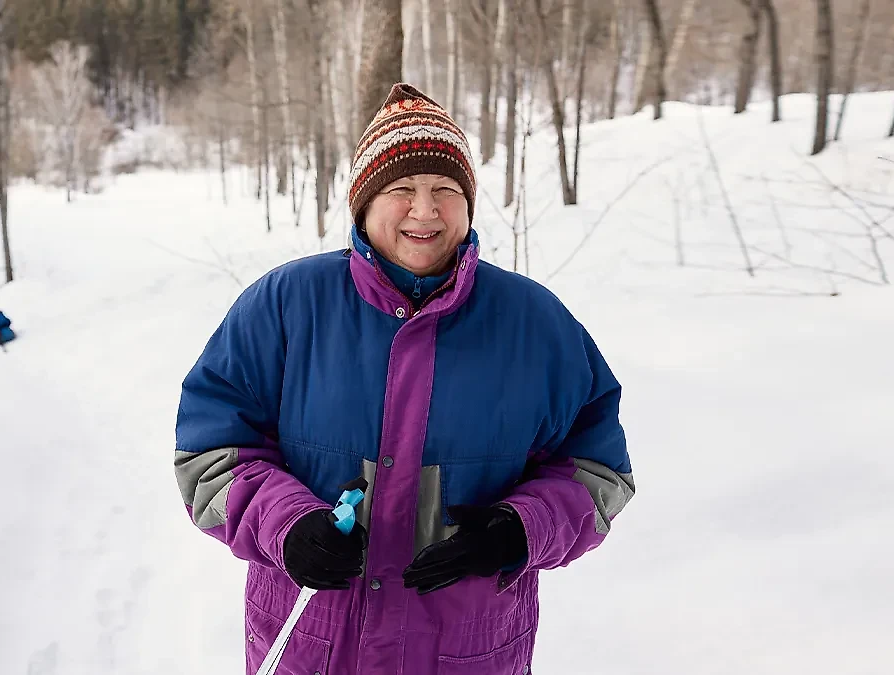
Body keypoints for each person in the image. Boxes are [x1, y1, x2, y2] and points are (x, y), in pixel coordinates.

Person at [173, 83, 635, 675]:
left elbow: (599, 471)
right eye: (402, 190)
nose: (426, 210)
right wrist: (287, 527)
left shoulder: (535, 322)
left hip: (469, 651)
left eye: (446, 190)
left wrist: (521, 530)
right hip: (312, 644)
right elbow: (209, 455)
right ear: (363, 204)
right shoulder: (286, 304)